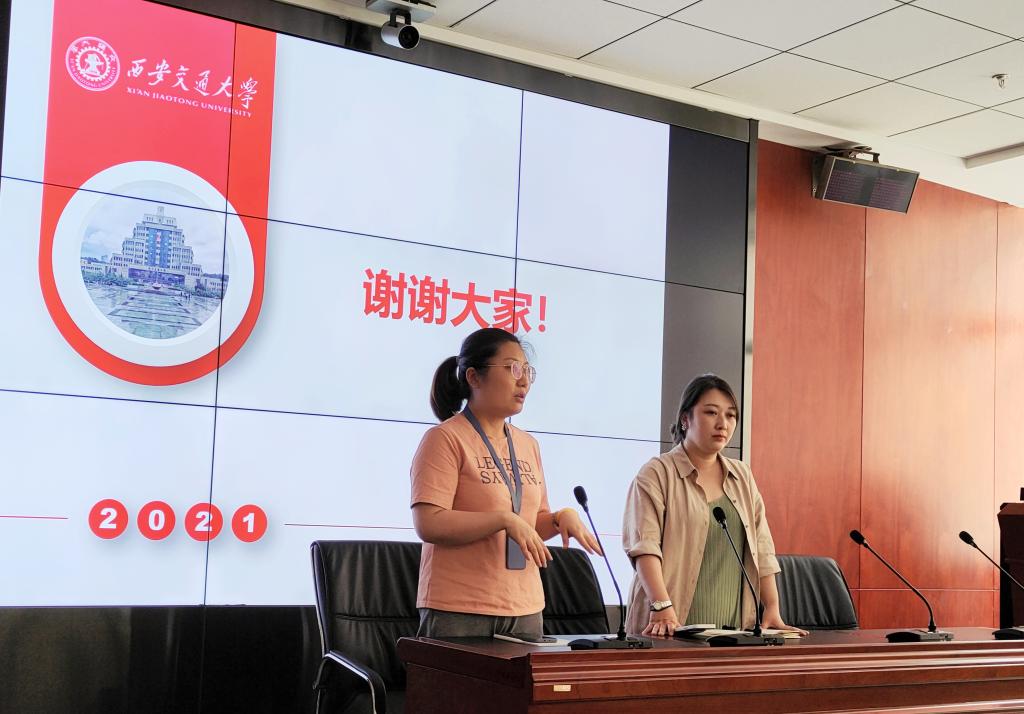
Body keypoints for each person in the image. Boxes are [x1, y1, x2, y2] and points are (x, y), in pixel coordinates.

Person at [411, 327, 601, 638]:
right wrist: (502, 520)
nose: (524, 380)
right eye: (513, 369)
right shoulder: (445, 438)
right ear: (474, 377)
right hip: (459, 606)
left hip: (525, 608)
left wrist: (558, 519)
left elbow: (529, 526)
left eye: (527, 370)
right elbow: (429, 523)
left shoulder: (528, 444)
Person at [622, 374, 803, 637]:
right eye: (711, 412)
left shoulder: (742, 476)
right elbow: (644, 547)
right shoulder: (657, 474)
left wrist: (772, 607)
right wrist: (661, 605)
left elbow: (762, 548)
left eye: (730, 415)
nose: (723, 424)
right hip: (669, 625)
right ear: (685, 419)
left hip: (733, 630)